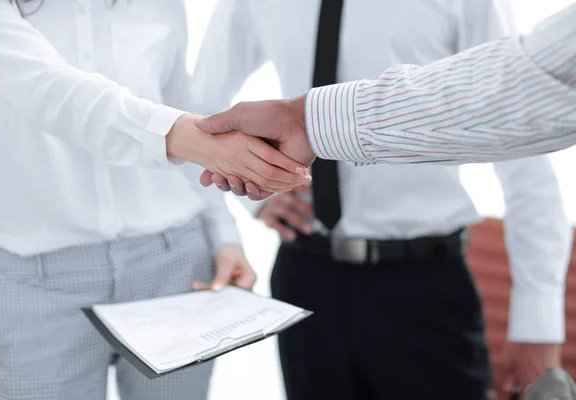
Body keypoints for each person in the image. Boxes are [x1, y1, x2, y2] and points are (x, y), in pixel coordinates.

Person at [192, 1, 572, 399]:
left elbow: (524, 136)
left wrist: (538, 322)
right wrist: (255, 198)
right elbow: (200, 106)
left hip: (423, 287)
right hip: (305, 278)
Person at [0, 1, 309, 399]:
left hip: (174, 263)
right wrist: (194, 139)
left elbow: (185, 107)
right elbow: (50, 91)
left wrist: (225, 236)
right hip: (42, 280)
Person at [196, 2, 576, 197]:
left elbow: (522, 100)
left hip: (426, 276)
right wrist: (260, 178)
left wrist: (537, 317)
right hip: (303, 267)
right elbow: (204, 107)